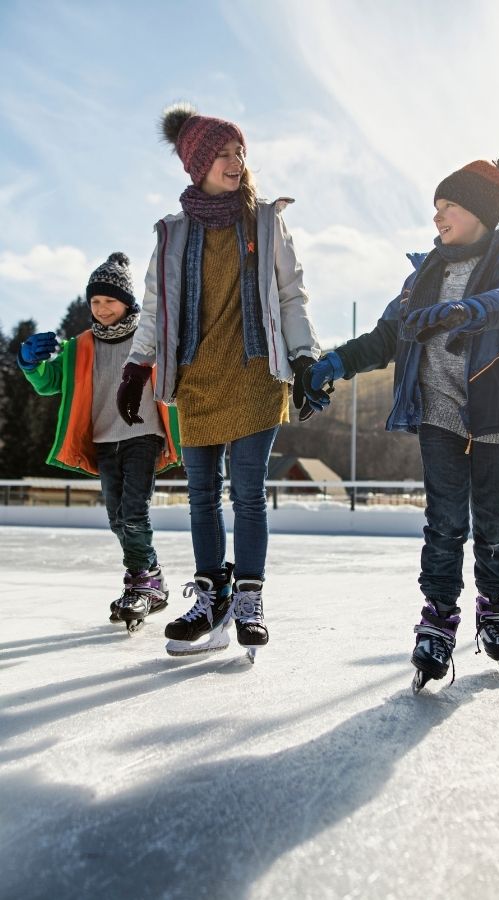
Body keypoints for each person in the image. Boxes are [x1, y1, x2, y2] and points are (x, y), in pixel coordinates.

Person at [302, 156, 499, 686]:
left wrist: (468, 312)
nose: (437, 216)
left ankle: (495, 607)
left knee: (494, 523)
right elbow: (388, 337)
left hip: (496, 412)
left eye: (448, 205)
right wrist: (334, 364)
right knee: (445, 522)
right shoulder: (422, 278)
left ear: (479, 209)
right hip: (439, 412)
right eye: (435, 207)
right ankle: (437, 619)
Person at [116, 103, 320, 655]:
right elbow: (156, 309)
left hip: (255, 373)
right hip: (196, 380)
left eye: (240, 153)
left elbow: (290, 294)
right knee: (200, 496)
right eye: (223, 154)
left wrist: (303, 356)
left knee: (248, 493)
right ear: (197, 164)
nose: (236, 162)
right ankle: (213, 594)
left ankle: (250, 596)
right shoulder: (172, 233)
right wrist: (138, 365)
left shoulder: (264, 220)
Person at [17, 252, 180, 631]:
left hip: (144, 434)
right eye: (95, 301)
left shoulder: (150, 336)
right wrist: (31, 364)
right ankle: (150, 575)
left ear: (127, 302)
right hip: (105, 439)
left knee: (134, 512)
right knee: (116, 518)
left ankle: (139, 581)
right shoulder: (80, 346)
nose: (102, 308)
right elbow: (49, 382)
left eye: (109, 300)